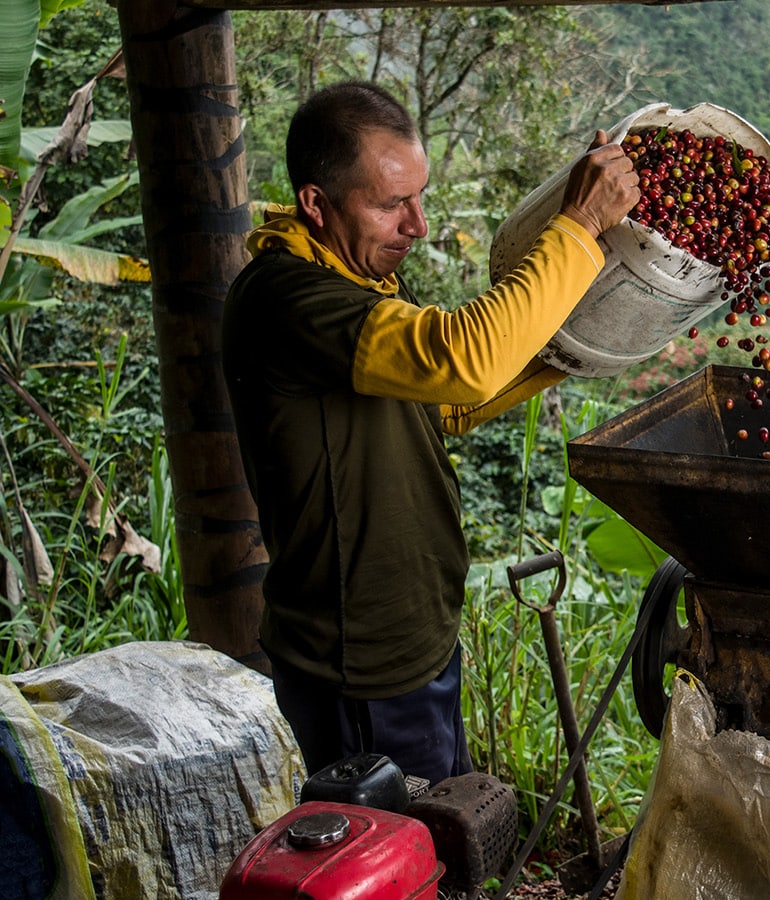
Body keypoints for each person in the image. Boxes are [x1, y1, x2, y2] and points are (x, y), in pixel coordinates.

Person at [221, 80, 639, 789]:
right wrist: (578, 227)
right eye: (390, 205)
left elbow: (442, 404)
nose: (416, 225)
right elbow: (462, 359)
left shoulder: (362, 272)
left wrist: (565, 352)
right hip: (360, 667)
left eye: (418, 197)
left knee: (446, 832)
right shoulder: (287, 299)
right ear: (316, 205)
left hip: (418, 636)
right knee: (391, 860)